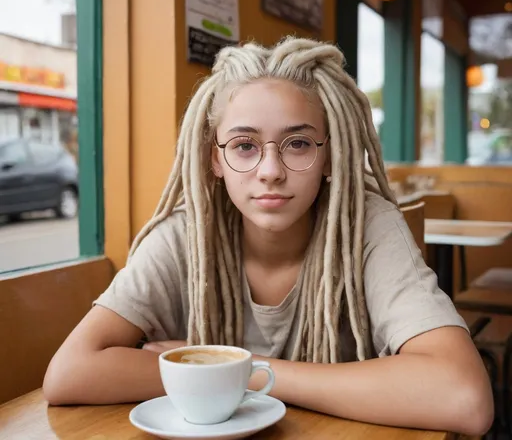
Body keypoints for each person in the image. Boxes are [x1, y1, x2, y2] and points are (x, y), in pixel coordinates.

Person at [43, 37, 493, 435]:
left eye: (298, 143)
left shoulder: (368, 227)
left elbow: (465, 398)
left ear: (330, 156)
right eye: (244, 146)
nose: (271, 171)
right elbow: (68, 375)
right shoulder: (184, 235)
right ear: (214, 159)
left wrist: (235, 367)